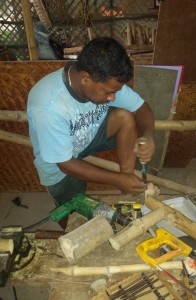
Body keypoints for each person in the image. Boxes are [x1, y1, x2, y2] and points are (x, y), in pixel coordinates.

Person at [27, 37, 155, 207]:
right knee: (73, 211)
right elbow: (65, 164)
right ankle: (124, 181)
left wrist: (148, 136)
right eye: (108, 93)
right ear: (85, 78)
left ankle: (128, 181)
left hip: (87, 136)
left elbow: (141, 108)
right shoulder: (50, 106)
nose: (112, 98)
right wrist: (116, 179)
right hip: (60, 165)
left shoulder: (106, 79)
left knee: (124, 116)